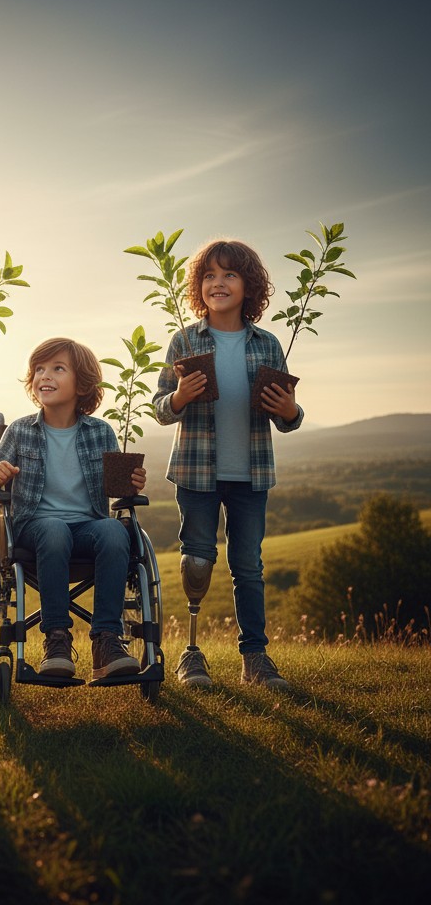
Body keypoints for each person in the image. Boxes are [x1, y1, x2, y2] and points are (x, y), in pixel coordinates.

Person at [153, 238, 303, 690]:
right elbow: (161, 407)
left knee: (248, 566)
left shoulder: (269, 344)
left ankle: (254, 658)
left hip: (251, 474)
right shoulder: (184, 341)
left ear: (248, 286)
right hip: (196, 472)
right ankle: (191, 654)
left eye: (230, 275)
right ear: (199, 287)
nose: (218, 283)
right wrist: (180, 396)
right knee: (197, 562)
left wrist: (290, 410)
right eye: (210, 276)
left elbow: (289, 420)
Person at [0, 338, 144, 680]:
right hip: (36, 529)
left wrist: (132, 483)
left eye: (57, 368)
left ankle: (107, 640)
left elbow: (117, 493)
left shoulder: (101, 432)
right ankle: (56, 639)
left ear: (81, 384)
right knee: (54, 529)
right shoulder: (21, 431)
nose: (44, 376)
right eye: (39, 369)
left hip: (87, 528)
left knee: (114, 530)